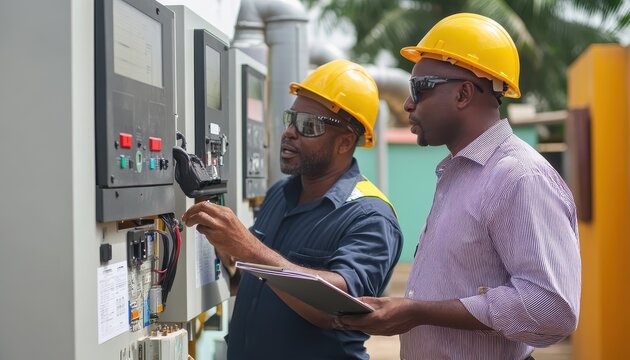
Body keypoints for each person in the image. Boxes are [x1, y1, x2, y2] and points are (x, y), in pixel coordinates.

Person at [335, 13, 581, 360]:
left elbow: (551, 308)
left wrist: (418, 311)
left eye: (418, 89)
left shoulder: (519, 177)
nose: (407, 104)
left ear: (464, 93)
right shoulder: (460, 172)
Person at [182, 59, 403, 359]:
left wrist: (250, 249)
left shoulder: (369, 215)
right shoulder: (281, 193)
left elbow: (338, 305)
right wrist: (223, 253)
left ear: (345, 142)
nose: (289, 132)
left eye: (308, 126)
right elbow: (256, 283)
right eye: (291, 118)